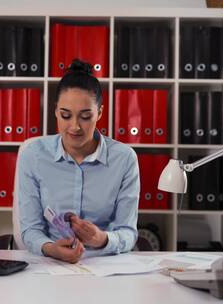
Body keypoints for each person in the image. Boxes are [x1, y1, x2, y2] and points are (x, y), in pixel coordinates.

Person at [17, 59, 140, 263]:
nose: (74, 126)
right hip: (51, 264)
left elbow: (128, 232)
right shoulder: (33, 155)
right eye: (66, 116)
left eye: (85, 116)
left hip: (105, 265)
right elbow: (31, 229)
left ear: (99, 113)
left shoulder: (124, 159)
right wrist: (50, 249)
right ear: (56, 111)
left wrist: (102, 239)